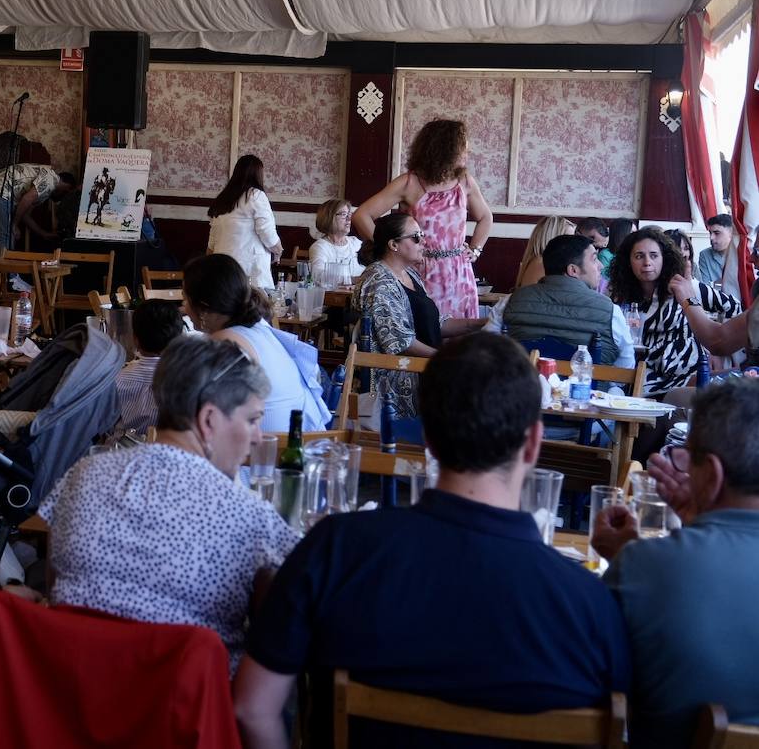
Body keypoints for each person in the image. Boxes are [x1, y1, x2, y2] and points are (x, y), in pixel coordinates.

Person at [233, 333, 630, 749]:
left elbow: (252, 708)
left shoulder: (335, 551)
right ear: (533, 444)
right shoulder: (593, 609)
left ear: (428, 440)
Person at [40, 335, 298, 670]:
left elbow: (54, 582)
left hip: (70, 690)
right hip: (186, 708)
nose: (258, 437)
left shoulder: (82, 475)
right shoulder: (247, 515)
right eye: (251, 419)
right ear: (208, 421)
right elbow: (296, 604)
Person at [591, 378, 759, 746]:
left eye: (687, 459)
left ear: (712, 474)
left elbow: (592, 683)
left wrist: (631, 559)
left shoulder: (645, 566)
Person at [354, 119, 492, 320]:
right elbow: (362, 216)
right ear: (445, 149)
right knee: (425, 331)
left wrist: (476, 249)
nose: (466, 154)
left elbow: (486, 217)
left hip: (459, 273)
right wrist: (391, 249)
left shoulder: (465, 182)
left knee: (460, 340)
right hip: (419, 271)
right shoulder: (409, 183)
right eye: (463, 148)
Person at [353, 212, 484, 418]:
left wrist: (482, 323)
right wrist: (446, 358)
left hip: (423, 367)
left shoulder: (410, 274)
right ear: (393, 245)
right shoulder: (378, 281)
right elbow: (400, 341)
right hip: (396, 381)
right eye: (416, 237)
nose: (423, 241)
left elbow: (436, 323)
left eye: (422, 235)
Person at [182, 254, 314, 433]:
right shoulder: (258, 328)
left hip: (265, 453)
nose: (184, 307)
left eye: (185, 298)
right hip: (297, 443)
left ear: (203, 307)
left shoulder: (225, 342)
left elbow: (206, 414)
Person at [608, 226, 740, 395]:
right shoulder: (620, 295)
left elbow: (733, 306)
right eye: (639, 256)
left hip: (688, 373)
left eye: (654, 255)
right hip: (643, 377)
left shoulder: (682, 286)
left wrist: (717, 352)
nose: (647, 262)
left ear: (665, 259)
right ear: (628, 261)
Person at [503, 234, 634, 369]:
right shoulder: (611, 312)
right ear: (573, 270)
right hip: (588, 389)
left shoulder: (510, 302)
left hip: (520, 388)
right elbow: (626, 366)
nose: (600, 266)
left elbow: (490, 348)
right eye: (594, 259)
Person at [205, 155, 282, 290]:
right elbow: (267, 232)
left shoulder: (222, 199)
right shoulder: (256, 195)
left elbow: (211, 245)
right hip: (248, 272)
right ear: (258, 174)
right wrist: (278, 251)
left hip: (222, 272)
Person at [114, 299, 185, 435]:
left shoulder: (117, 380)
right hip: (168, 450)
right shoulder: (185, 381)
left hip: (123, 451)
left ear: (136, 340)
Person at [0, 163, 76, 255]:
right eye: (65, 193)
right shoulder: (51, 180)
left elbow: (25, 215)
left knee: (8, 234)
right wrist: (14, 225)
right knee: (7, 235)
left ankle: (7, 269)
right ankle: (8, 271)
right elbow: (26, 199)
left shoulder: (46, 191)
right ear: (67, 187)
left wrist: (43, 233)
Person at [308, 198, 361, 284]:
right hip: (333, 296)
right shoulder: (320, 247)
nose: (349, 219)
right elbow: (317, 276)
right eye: (344, 214)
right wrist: (352, 280)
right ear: (329, 218)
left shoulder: (356, 243)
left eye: (349, 214)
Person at [515, 215, 576, 288]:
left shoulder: (539, 261)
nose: (572, 245)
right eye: (568, 239)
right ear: (553, 238)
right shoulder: (541, 263)